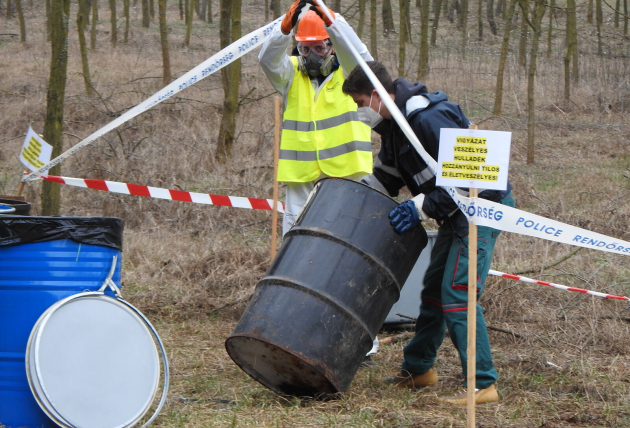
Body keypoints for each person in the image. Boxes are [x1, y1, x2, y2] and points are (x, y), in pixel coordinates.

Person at [342, 61, 515, 404]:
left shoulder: (427, 119)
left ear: (377, 96)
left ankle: (483, 384)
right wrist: (349, 203)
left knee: (458, 293)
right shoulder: (393, 127)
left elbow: (470, 179)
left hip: (480, 209)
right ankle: (419, 369)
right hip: (454, 212)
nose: (360, 111)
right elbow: (385, 180)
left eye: (360, 103)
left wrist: (420, 208)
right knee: (434, 290)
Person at [259, 1, 379, 361]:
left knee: (352, 253)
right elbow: (267, 59)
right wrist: (285, 27)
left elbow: (357, 52)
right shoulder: (289, 73)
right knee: (296, 250)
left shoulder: (353, 76)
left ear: (331, 45)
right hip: (301, 177)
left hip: (347, 175)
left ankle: (362, 340)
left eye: (320, 46)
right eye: (305, 47)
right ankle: (293, 326)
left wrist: (333, 22)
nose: (311, 54)